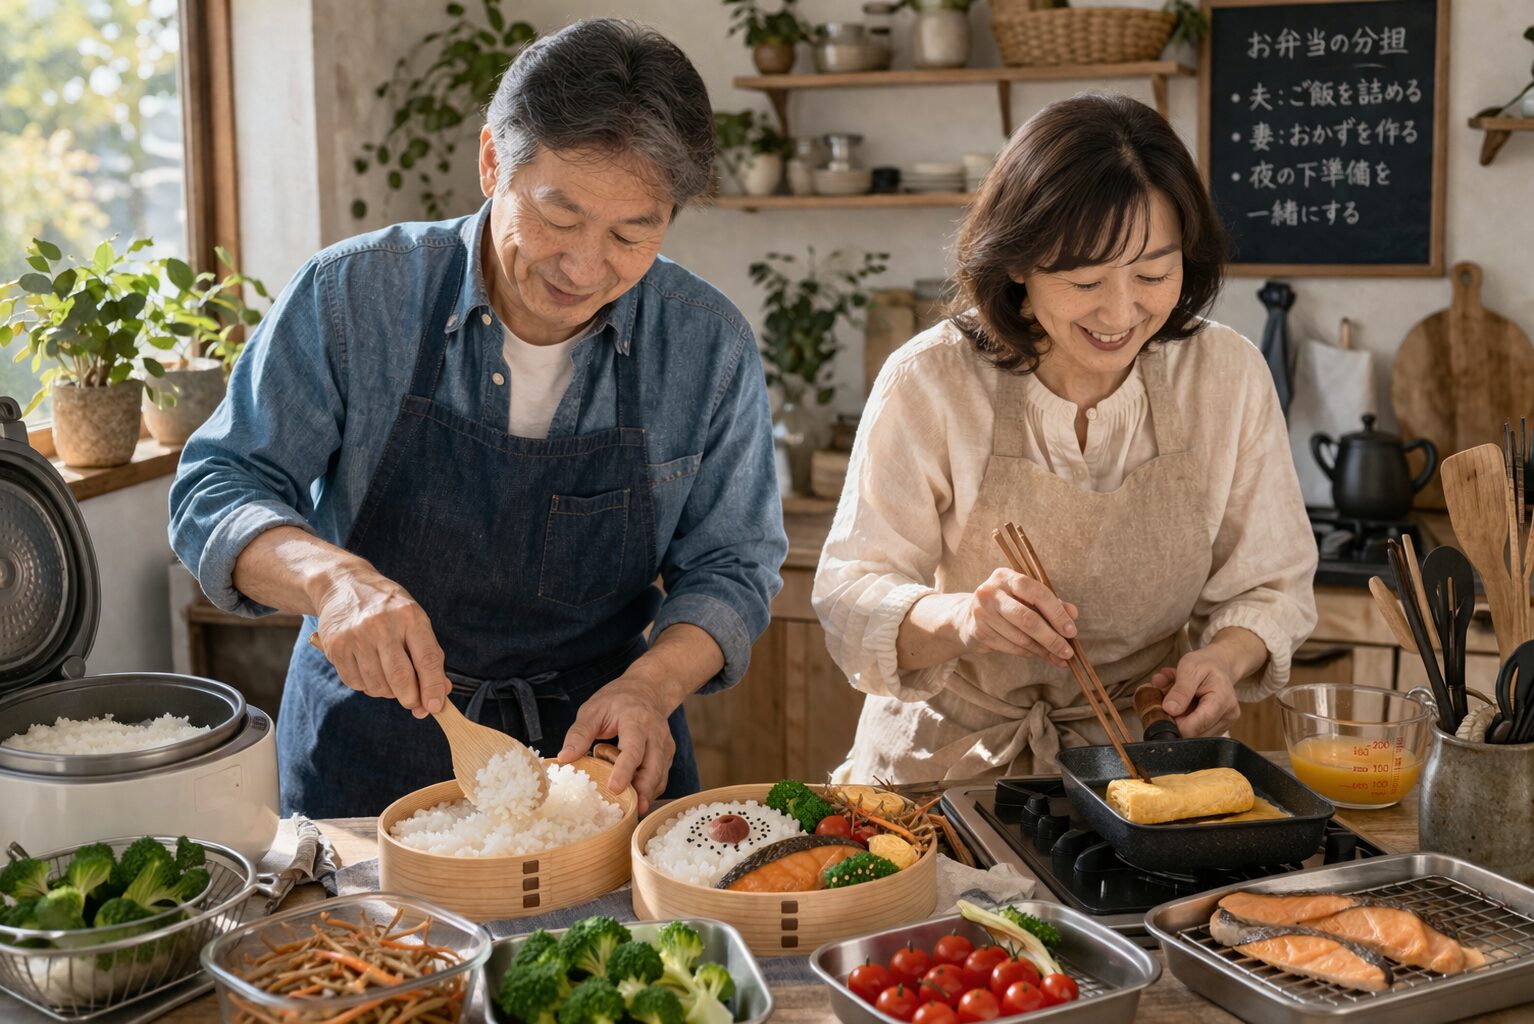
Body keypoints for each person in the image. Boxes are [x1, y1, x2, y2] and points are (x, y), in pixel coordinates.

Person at [169, 19, 786, 817]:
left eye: (633, 234)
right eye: (560, 217)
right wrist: (335, 581)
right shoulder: (355, 297)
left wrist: (651, 685)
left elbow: (733, 566)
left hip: (595, 754)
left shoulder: (705, 343)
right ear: (493, 161)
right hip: (368, 740)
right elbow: (216, 487)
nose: (585, 266)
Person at [813, 93, 1317, 783]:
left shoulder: (1223, 376)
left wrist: (1223, 661)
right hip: (941, 773)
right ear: (1017, 263)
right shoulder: (929, 381)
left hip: (1136, 769)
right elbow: (849, 598)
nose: (1121, 312)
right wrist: (962, 618)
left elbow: (1273, 585)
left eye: (1153, 274)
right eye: (1085, 281)